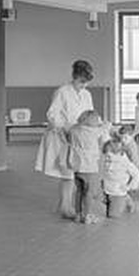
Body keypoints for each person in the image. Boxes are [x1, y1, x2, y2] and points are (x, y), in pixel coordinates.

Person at [34, 59, 96, 219]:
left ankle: (70, 206)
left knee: (76, 172)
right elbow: (52, 114)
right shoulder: (62, 91)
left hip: (79, 139)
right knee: (67, 173)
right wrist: (65, 128)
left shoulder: (87, 95)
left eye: (86, 82)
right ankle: (65, 207)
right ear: (74, 76)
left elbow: (90, 115)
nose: (84, 85)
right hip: (62, 137)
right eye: (81, 81)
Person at [67, 109, 111, 224]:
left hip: (77, 167)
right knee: (89, 193)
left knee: (79, 191)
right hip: (90, 168)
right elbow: (106, 137)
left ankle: (78, 214)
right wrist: (105, 125)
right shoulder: (96, 132)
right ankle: (88, 215)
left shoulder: (74, 130)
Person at [101, 136, 139, 218]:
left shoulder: (125, 162)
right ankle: (124, 198)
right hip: (107, 188)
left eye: (110, 156)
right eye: (107, 157)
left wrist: (129, 187)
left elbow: (136, 174)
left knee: (113, 215)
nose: (107, 158)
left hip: (119, 191)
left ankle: (126, 198)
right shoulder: (105, 158)